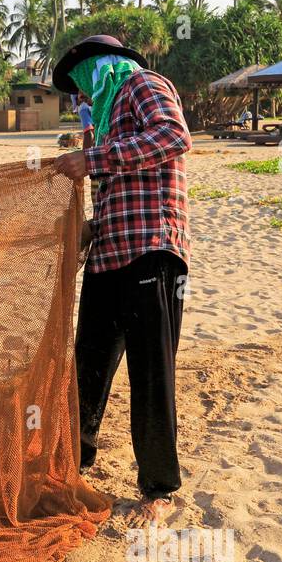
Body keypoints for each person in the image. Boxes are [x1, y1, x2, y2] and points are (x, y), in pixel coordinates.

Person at [52, 34, 191, 528]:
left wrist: (90, 161)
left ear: (101, 67)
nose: (82, 98)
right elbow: (117, 187)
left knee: (151, 373)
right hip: (109, 257)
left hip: (151, 252)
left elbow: (174, 137)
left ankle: (158, 488)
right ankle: (72, 466)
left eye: (83, 84)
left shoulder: (143, 85)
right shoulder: (107, 117)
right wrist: (88, 227)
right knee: (87, 368)